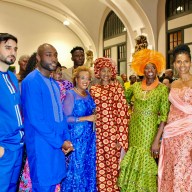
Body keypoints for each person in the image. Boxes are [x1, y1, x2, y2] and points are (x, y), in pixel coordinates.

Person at [21, 43, 73, 191]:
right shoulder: (31, 82)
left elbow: (60, 115)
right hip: (41, 144)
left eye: (55, 55)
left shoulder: (55, 84)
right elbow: (36, 120)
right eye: (49, 55)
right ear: (38, 57)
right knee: (42, 185)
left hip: (56, 143)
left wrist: (66, 138)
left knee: (53, 183)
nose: (54, 59)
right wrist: (59, 142)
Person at [118, 49, 170, 192]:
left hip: (150, 129)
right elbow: (122, 100)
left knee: (145, 158)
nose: (150, 70)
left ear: (157, 69)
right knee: (133, 157)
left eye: (153, 67)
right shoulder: (134, 87)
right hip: (134, 127)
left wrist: (156, 140)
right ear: (142, 69)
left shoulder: (162, 89)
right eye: (146, 67)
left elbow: (165, 116)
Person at [90, 57, 129, 192]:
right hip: (98, 134)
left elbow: (122, 113)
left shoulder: (117, 88)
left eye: (108, 71)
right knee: (100, 164)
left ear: (112, 72)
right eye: (103, 71)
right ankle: (102, 189)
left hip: (113, 133)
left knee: (113, 165)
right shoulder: (93, 89)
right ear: (98, 72)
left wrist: (121, 138)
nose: (106, 74)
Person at [158, 44, 192, 191]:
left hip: (188, 132)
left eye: (185, 61)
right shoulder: (173, 84)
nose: (182, 65)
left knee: (183, 167)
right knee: (172, 167)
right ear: (174, 64)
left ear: (190, 62)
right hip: (171, 133)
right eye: (178, 61)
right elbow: (171, 109)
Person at [61, 66, 97, 192]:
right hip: (76, 139)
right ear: (76, 79)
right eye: (82, 78)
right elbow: (66, 118)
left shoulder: (88, 94)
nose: (86, 81)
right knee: (76, 169)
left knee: (87, 168)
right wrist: (86, 118)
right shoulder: (71, 94)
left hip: (89, 139)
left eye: (88, 79)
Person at [0, 33, 24, 192]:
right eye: (7, 47)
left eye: (15, 49)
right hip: (4, 145)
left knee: (11, 188)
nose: (13, 52)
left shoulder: (12, 77)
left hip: (18, 144)